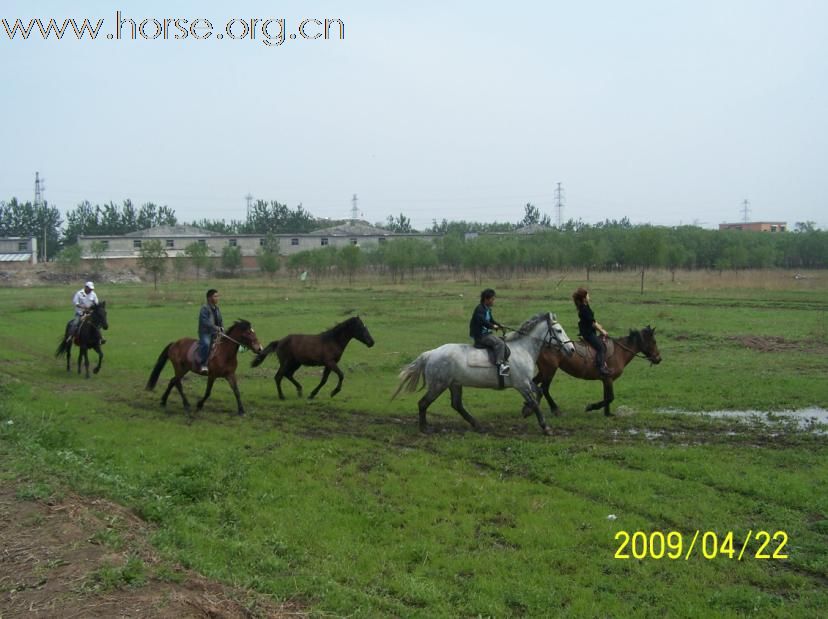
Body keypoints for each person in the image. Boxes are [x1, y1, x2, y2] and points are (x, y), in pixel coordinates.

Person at [469, 288, 509, 376]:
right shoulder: (479, 309)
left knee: (504, 340)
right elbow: (482, 321)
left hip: (486, 334)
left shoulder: (487, 309)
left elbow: (491, 320)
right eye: (492, 299)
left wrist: (499, 325)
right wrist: (492, 326)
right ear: (486, 299)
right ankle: (500, 366)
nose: (493, 301)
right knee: (500, 344)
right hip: (480, 336)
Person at [572, 287, 609, 375]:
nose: (589, 297)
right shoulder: (584, 309)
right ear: (584, 299)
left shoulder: (585, 306)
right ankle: (600, 367)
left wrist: (599, 326)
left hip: (590, 331)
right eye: (588, 296)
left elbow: (592, 319)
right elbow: (592, 323)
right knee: (601, 347)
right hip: (588, 334)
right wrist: (602, 331)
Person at [197, 288, 224, 373]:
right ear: (209, 298)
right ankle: (203, 365)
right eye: (215, 296)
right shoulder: (204, 309)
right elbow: (204, 322)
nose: (217, 298)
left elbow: (220, 320)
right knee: (206, 344)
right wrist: (216, 328)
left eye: (218, 296)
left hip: (216, 332)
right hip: (205, 332)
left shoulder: (217, 308)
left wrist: (222, 328)